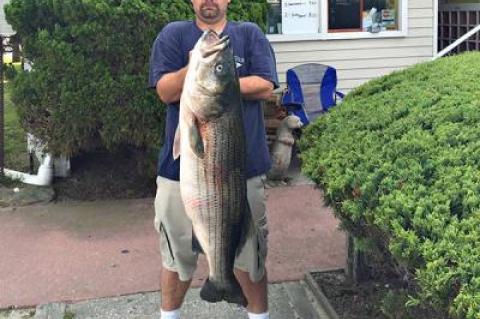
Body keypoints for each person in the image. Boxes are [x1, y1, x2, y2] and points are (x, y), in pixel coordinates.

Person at [148, 1, 278, 318]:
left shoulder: (249, 34)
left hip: (242, 173)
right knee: (176, 256)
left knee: (249, 258)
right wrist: (197, 70)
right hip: (178, 175)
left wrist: (213, 75)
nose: (210, 1)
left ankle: (257, 315)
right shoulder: (173, 35)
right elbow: (165, 90)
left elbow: (265, 84)